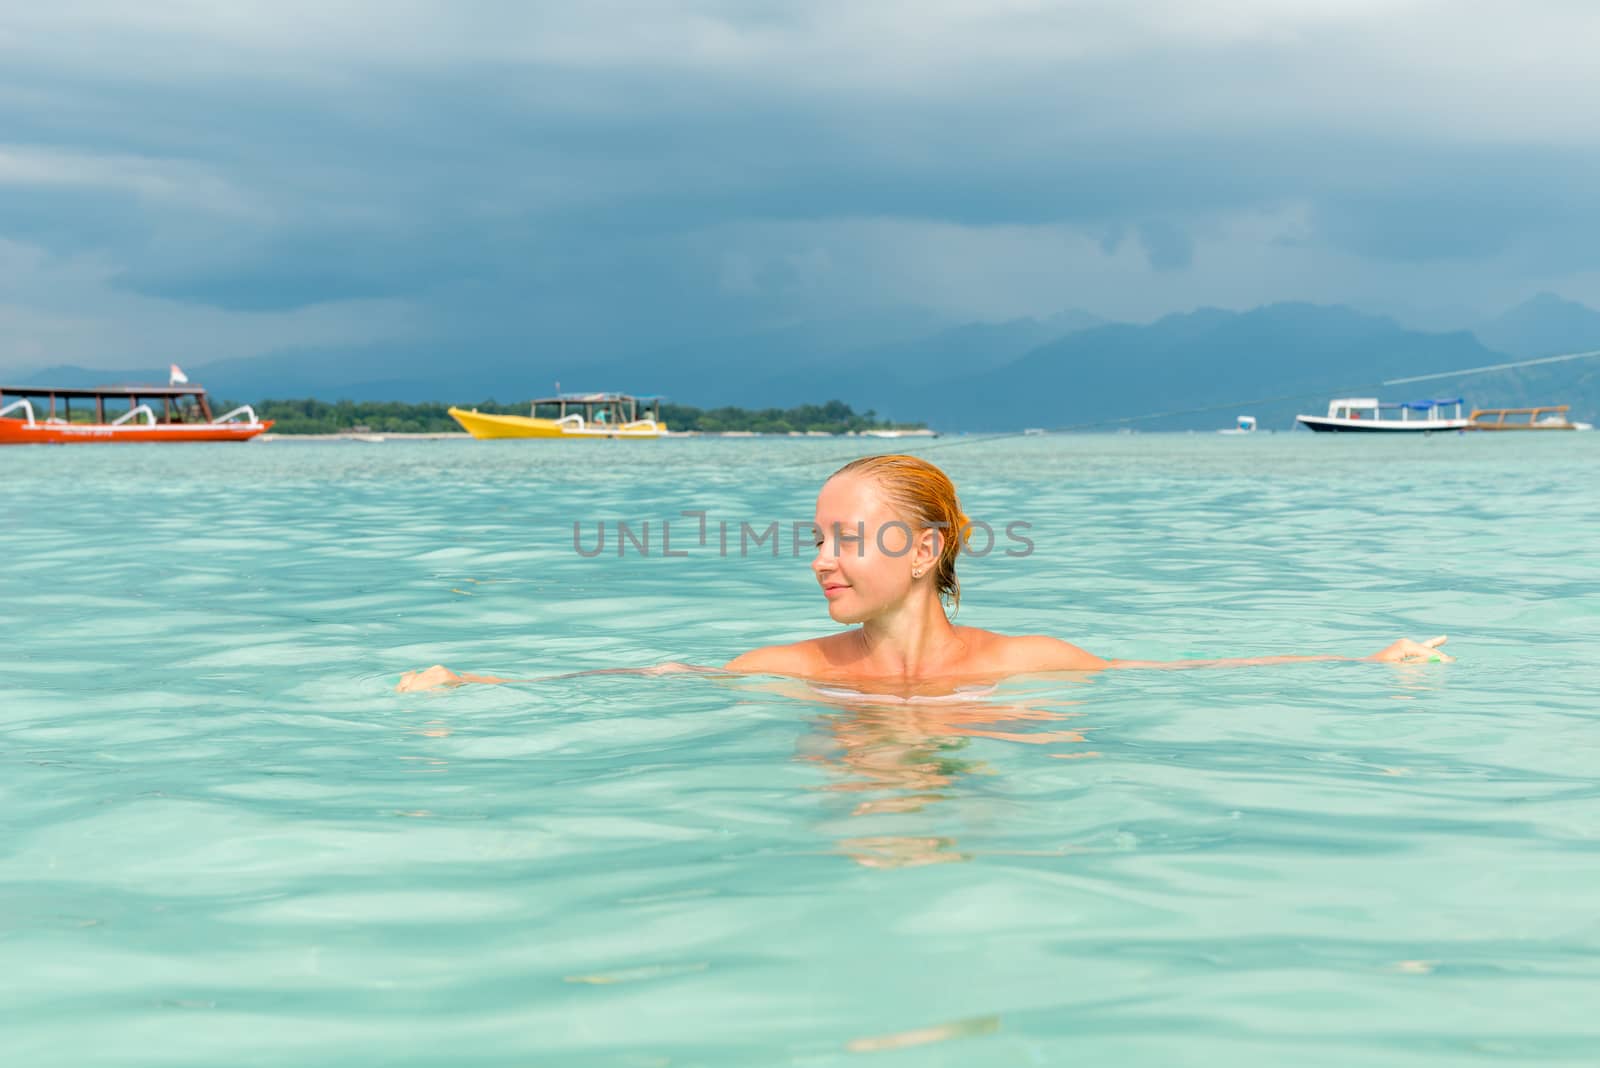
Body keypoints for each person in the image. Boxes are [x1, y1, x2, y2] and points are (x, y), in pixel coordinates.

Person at [397, 454, 1450, 694]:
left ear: (927, 550)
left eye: (848, 539)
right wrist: (477, 683)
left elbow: (1178, 669)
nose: (819, 560)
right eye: (815, 538)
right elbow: (656, 681)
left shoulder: (1029, 662)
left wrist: (1365, 656)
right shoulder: (794, 668)